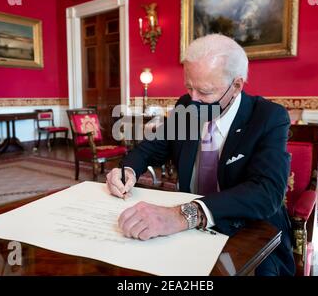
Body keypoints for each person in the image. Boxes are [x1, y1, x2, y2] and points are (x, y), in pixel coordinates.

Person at [106, 34, 295, 276]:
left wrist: (183, 215)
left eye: (204, 91)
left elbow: (266, 192)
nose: (193, 100)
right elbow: (151, 148)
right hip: (186, 232)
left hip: (249, 229)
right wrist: (127, 170)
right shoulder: (187, 105)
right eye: (189, 87)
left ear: (236, 86)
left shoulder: (268, 117)